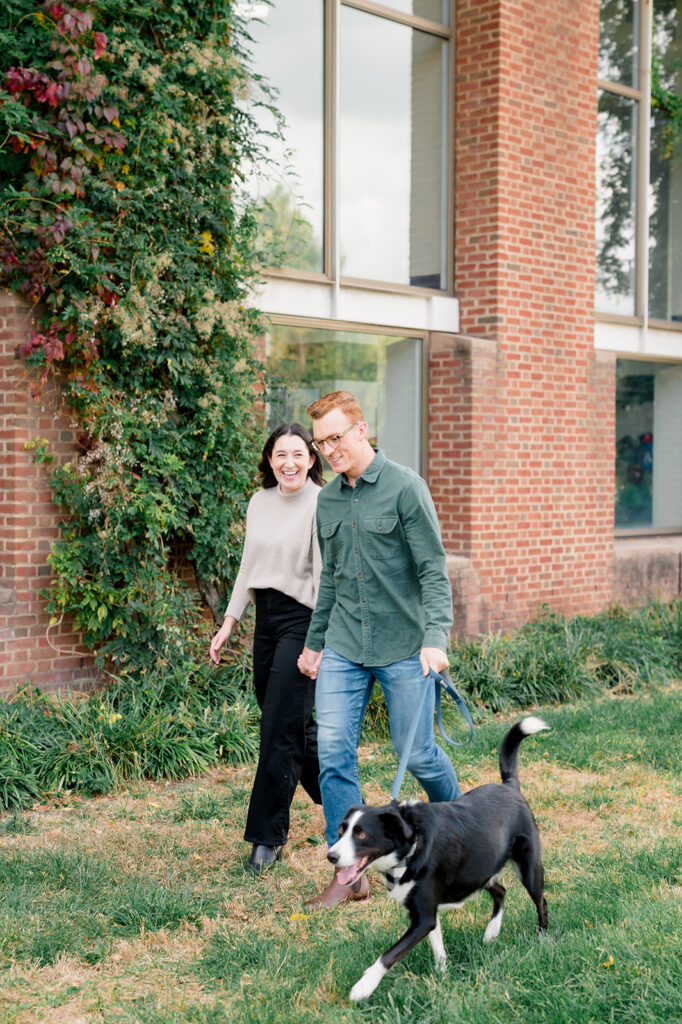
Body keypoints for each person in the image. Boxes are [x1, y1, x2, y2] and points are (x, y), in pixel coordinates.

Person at [297, 390, 461, 908]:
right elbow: (332, 580)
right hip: (345, 642)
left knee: (416, 753)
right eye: (321, 442)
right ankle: (351, 875)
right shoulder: (326, 500)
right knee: (332, 753)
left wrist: (436, 639)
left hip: (404, 646)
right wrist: (314, 642)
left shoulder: (406, 488)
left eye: (336, 438)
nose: (328, 450)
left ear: (361, 429)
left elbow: (433, 571)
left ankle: (458, 826)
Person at [210, 423, 324, 873]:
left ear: (312, 460)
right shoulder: (259, 502)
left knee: (279, 728)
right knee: (288, 722)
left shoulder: (321, 503)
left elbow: (324, 575)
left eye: (298, 453)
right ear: (270, 459)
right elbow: (247, 566)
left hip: (303, 618)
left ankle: (266, 838)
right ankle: (349, 807)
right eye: (280, 454)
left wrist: (319, 640)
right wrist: (228, 624)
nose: (289, 462)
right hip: (266, 620)